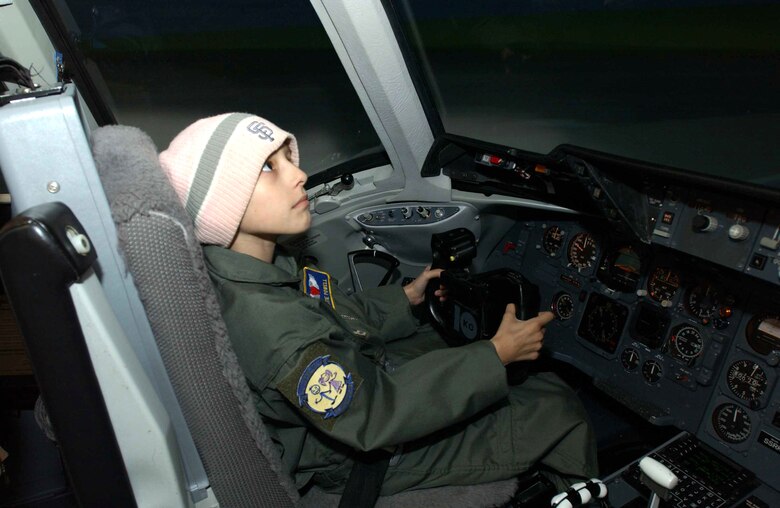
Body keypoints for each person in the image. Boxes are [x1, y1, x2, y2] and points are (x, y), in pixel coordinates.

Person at [159, 112, 598, 497]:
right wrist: (495, 356)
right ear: (224, 205)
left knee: (451, 339)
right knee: (557, 409)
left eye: (288, 159)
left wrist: (406, 298)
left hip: (367, 379)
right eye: (269, 168)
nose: (298, 174)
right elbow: (375, 413)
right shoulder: (271, 328)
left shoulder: (263, 268)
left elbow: (335, 317)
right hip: (360, 454)